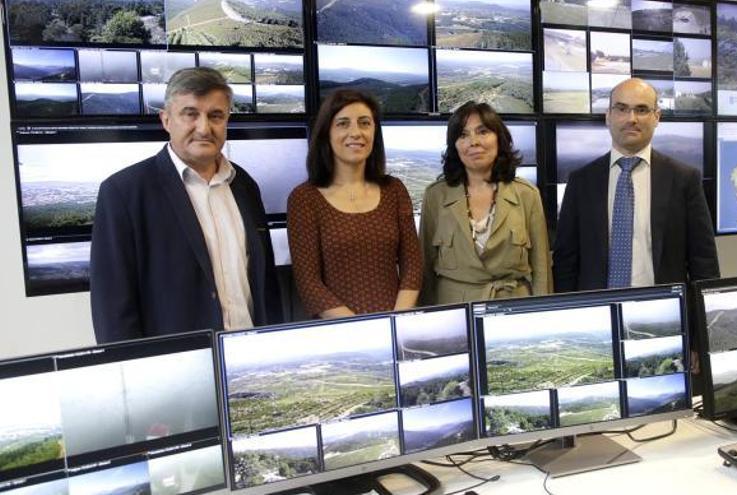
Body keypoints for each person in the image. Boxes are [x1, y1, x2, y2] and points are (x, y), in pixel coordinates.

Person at [90, 67, 281, 343]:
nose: (204, 128)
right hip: (178, 367)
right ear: (166, 120)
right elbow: (112, 311)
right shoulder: (123, 193)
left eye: (215, 115)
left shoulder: (244, 185)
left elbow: (265, 285)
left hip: (250, 355)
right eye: (190, 114)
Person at [553, 78, 719, 292]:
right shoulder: (581, 181)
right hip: (597, 312)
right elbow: (565, 262)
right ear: (608, 116)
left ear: (656, 117)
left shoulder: (684, 180)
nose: (631, 119)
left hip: (664, 310)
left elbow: (704, 262)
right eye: (622, 109)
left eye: (641, 110)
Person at [288, 89, 422, 318]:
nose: (355, 132)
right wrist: (362, 329)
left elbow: (413, 266)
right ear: (326, 133)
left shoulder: (394, 190)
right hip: (341, 333)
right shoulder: (304, 199)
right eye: (342, 123)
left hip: (398, 325)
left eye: (364, 123)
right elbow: (309, 284)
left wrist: (396, 322)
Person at [419, 101, 552, 305]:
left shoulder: (527, 194)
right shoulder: (436, 196)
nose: (474, 142)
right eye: (463, 135)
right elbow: (425, 269)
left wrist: (543, 314)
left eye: (483, 132)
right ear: (454, 145)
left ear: (499, 138)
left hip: (513, 308)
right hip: (454, 311)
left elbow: (541, 269)